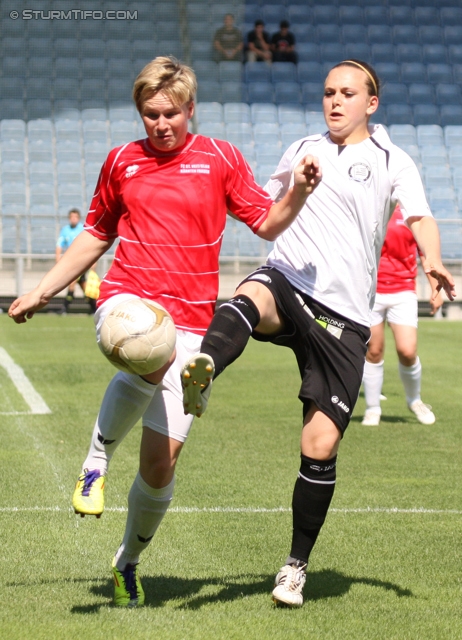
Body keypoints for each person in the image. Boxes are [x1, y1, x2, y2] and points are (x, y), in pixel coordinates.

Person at [8, 56, 321, 607]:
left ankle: (127, 563)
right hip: (127, 300)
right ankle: (96, 461)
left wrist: (297, 190)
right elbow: (96, 234)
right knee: (150, 345)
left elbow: (267, 222)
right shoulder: (122, 161)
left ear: (190, 109)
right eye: (150, 114)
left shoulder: (220, 157)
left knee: (161, 464)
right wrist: (42, 289)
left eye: (170, 113)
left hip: (195, 323)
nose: (160, 124)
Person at [181, 60, 456, 608]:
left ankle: (294, 566)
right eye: (329, 92)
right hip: (290, 278)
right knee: (251, 294)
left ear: (371, 103)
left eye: (347, 93)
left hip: (345, 317)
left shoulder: (391, 160)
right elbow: (265, 203)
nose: (335, 101)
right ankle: (206, 365)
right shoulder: (302, 147)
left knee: (319, 444)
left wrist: (434, 262)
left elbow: (420, 217)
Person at [362, 204, 443, 427]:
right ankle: (372, 409)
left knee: (407, 351)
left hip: (403, 291)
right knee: (374, 351)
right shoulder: (370, 207)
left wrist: (436, 289)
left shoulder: (411, 214)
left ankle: (414, 400)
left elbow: (426, 254)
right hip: (371, 291)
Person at [55, 208, 97, 314]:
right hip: (70, 262)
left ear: (78, 218)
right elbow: (59, 245)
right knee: (83, 287)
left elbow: (90, 246)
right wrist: (58, 258)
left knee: (74, 284)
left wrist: (92, 261)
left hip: (81, 262)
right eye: (72, 217)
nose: (73, 219)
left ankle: (64, 308)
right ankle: (94, 309)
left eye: (75, 217)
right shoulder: (65, 230)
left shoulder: (83, 229)